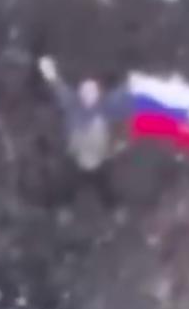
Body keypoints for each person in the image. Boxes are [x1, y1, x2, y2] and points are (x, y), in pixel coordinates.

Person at [37, 56, 133, 209]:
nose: (89, 94)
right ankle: (61, 209)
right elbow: (58, 87)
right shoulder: (72, 104)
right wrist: (49, 71)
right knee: (67, 184)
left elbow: (123, 93)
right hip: (75, 160)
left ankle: (115, 209)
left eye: (93, 91)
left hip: (100, 161)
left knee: (106, 186)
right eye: (85, 90)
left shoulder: (106, 107)